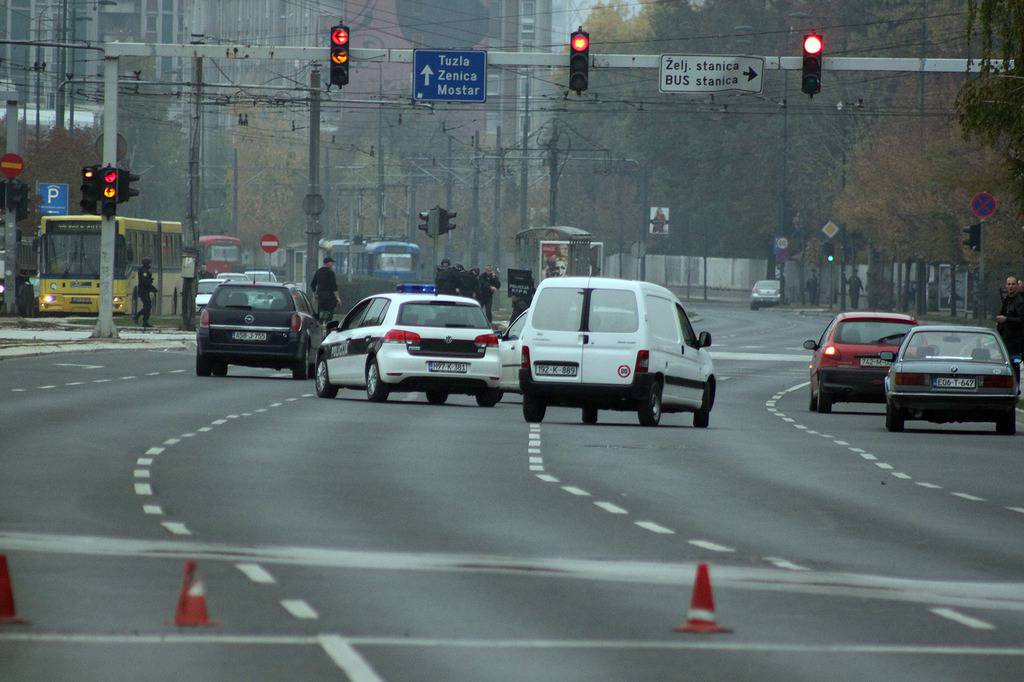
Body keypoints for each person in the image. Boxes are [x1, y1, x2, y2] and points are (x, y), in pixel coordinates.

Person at [996, 276, 1023, 384]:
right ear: (1006, 286)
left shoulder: (1019, 301)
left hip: (1015, 341)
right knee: (1006, 364)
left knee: (1014, 364)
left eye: (1013, 284)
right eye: (1009, 284)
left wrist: (1006, 319)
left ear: (1017, 286)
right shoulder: (1007, 299)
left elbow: (1021, 320)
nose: (1011, 286)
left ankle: (1016, 388)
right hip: (1005, 339)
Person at [310, 256, 341, 323]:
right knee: (329, 315)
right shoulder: (330, 272)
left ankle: (321, 325)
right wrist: (338, 298)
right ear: (328, 263)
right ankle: (327, 326)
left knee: (321, 314)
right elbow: (334, 286)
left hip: (320, 298)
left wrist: (315, 294)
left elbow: (312, 284)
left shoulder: (318, 272)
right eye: (331, 262)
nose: (332, 264)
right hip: (329, 298)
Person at [133, 258, 157, 328]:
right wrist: (151, 286)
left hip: (146, 291)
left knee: (148, 306)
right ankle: (137, 315)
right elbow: (145, 281)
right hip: (143, 291)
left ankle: (145, 322)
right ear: (146, 264)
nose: (150, 265)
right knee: (147, 307)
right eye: (149, 263)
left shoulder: (145, 270)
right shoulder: (143, 271)